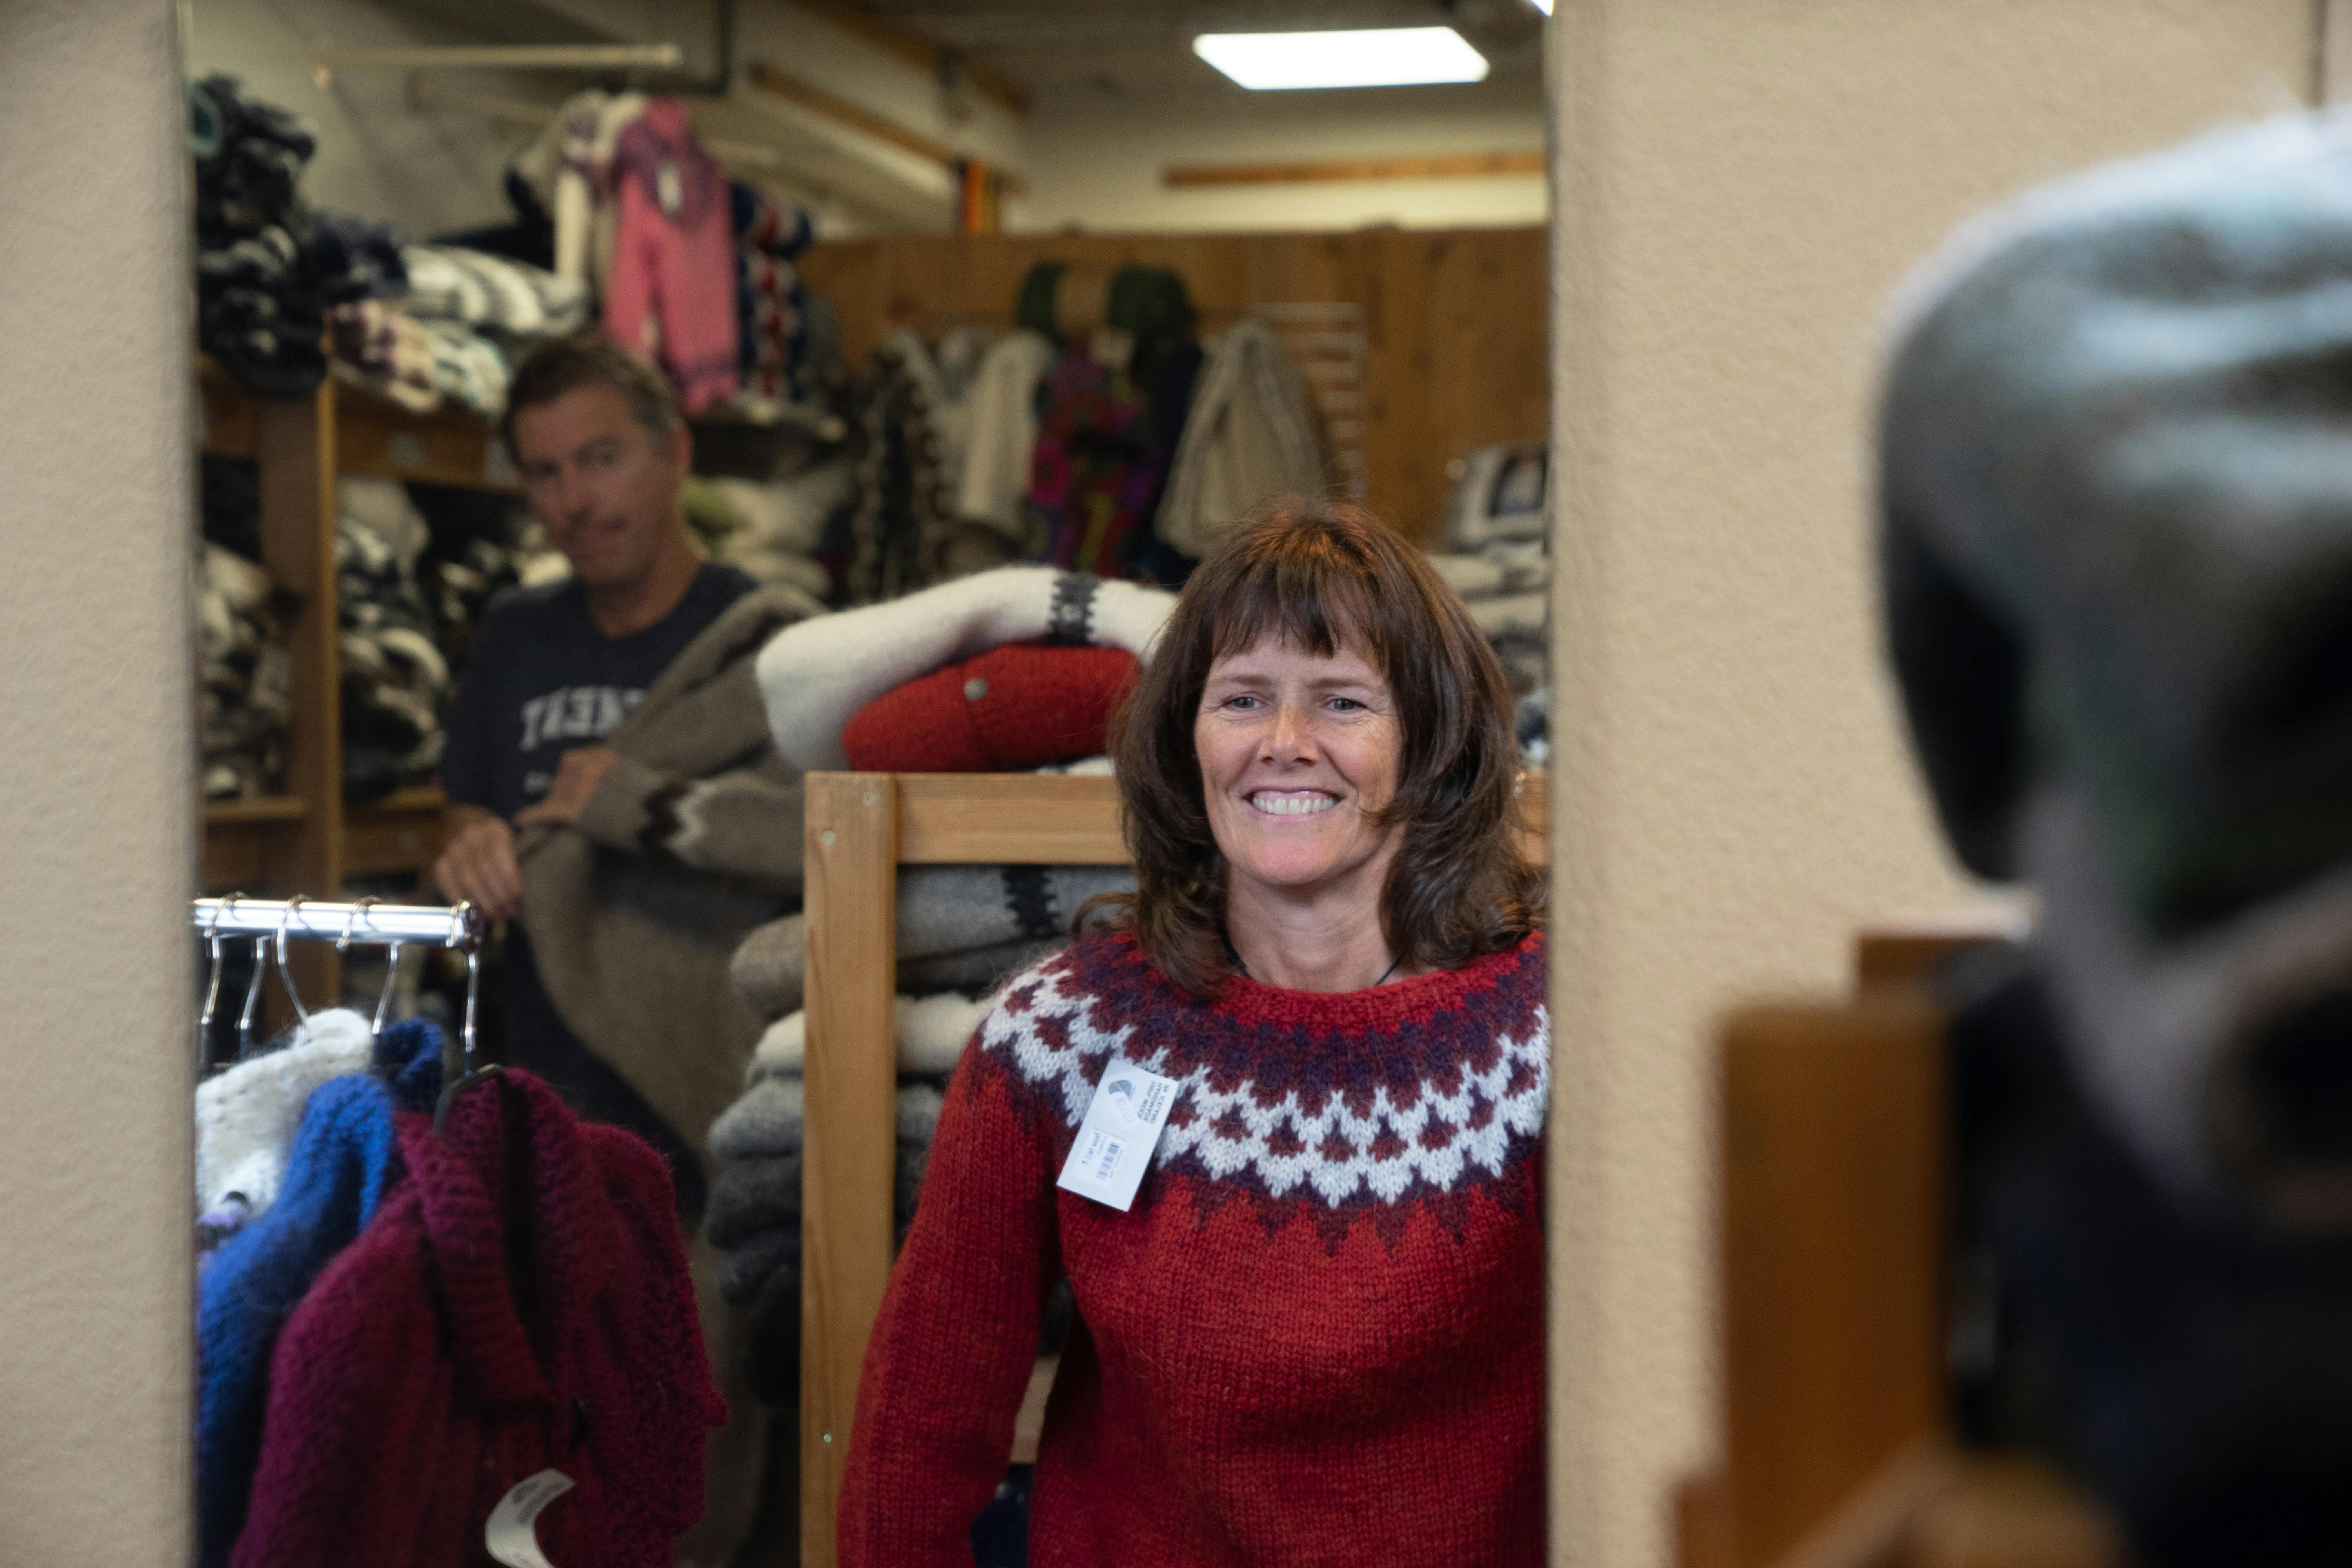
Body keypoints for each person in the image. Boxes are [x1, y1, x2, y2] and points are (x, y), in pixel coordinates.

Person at [839, 501, 1550, 1565]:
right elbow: (922, 1424)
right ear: (1188, 735)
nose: (1284, 745)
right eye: (1244, 699)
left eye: (1342, 702)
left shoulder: (1552, 1036)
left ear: (1433, 743)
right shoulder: (1061, 1040)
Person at [432, 329, 805, 1220]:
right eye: (544, 472)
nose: (573, 502)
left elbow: (817, 838)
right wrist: (468, 846)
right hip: (541, 1078)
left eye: (600, 459)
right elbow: (465, 813)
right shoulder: (514, 634)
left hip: (710, 1079)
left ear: (673, 453)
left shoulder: (764, 644)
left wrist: (636, 808)